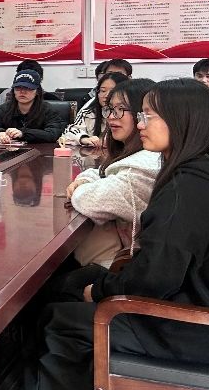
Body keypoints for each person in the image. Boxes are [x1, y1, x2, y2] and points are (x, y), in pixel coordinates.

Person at [20, 78, 209, 390]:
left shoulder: (188, 188)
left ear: (182, 120)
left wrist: (99, 290)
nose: (140, 124)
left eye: (149, 116)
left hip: (196, 331)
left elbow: (152, 281)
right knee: (70, 294)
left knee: (62, 321)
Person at [65, 78, 160, 268]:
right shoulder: (133, 157)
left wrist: (80, 187)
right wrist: (86, 178)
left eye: (121, 109)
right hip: (126, 256)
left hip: (135, 268)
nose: (111, 117)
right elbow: (104, 174)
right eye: (109, 109)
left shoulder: (146, 164)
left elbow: (91, 201)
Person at [0, 70, 67, 144]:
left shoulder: (48, 110)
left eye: (27, 88)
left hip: (40, 151)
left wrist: (23, 133)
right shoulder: (1, 109)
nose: (22, 92)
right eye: (18, 88)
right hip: (8, 151)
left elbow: (53, 134)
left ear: (37, 91)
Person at [59, 72, 128, 147]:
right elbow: (68, 133)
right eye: (103, 91)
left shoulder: (128, 114)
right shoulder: (89, 113)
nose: (106, 95)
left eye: (112, 91)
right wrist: (84, 138)